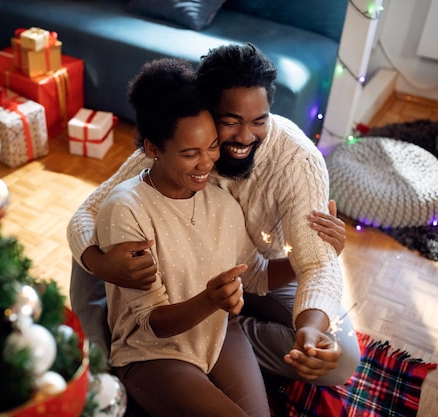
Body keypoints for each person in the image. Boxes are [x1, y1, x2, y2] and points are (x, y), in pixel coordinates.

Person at [68, 43, 361, 386]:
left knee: (340, 358)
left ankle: (218, 333)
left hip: (258, 272)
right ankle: (100, 362)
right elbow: (86, 213)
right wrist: (99, 262)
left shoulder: (299, 162)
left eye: (259, 120)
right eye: (231, 121)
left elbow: (313, 264)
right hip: (180, 274)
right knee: (97, 243)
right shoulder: (177, 146)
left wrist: (310, 329)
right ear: (207, 111)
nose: (245, 136)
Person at [97, 57, 272, 417]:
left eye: (211, 146)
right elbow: (154, 322)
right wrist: (211, 298)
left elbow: (254, 274)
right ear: (153, 149)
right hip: (150, 352)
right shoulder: (126, 209)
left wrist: (315, 256)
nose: (207, 163)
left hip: (218, 333)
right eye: (190, 154)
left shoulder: (223, 202)